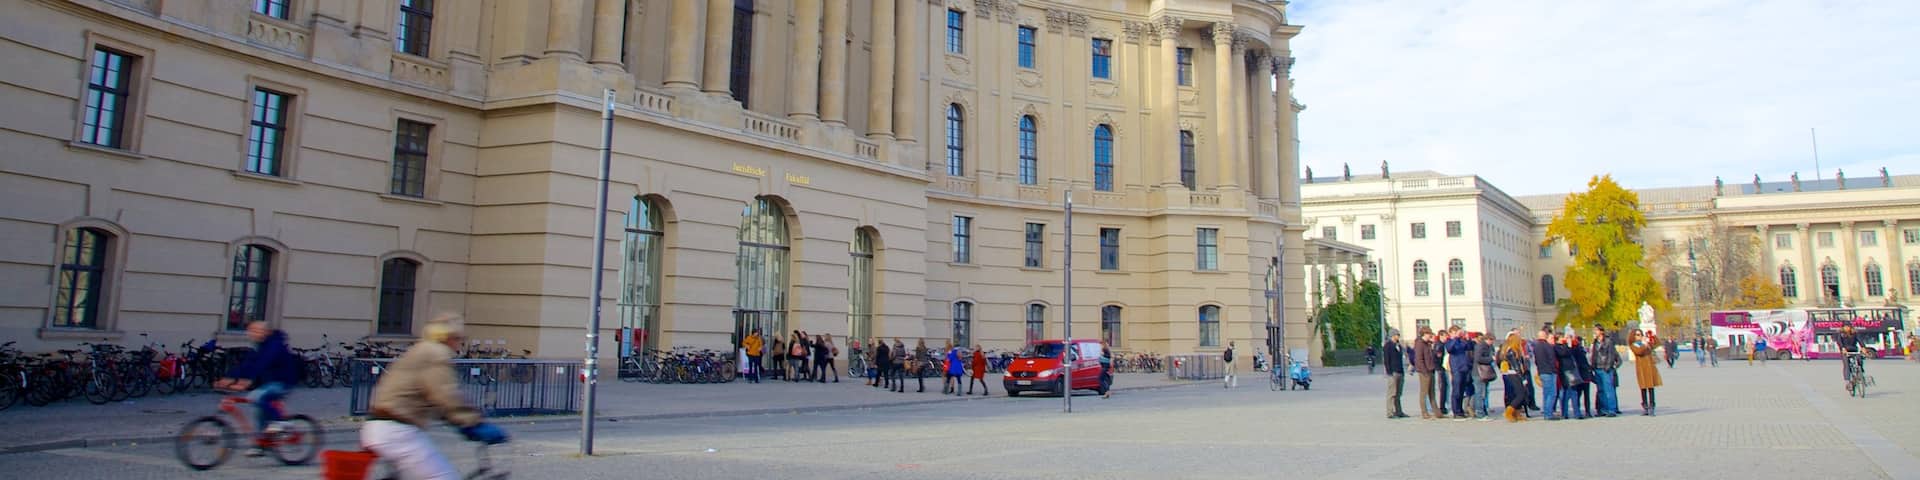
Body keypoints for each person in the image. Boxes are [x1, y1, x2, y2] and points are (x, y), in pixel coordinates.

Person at [363, 314, 507, 479]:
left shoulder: (420, 350)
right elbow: (444, 394)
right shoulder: (436, 353)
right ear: (448, 337)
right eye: (459, 338)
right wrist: (472, 422)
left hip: (378, 427)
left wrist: (455, 419)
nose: (460, 343)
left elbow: (430, 396)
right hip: (398, 431)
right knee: (443, 476)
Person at [214, 320, 301, 456]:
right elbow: (247, 364)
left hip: (283, 382)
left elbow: (263, 363)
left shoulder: (274, 344)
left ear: (266, 331)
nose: (253, 334)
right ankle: (260, 444)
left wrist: (246, 381)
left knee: (257, 397)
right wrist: (228, 378)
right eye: (251, 331)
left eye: (256, 331)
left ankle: (281, 424)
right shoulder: (259, 346)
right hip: (269, 382)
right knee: (259, 410)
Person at [1497, 332, 1530, 423]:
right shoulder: (1512, 351)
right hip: (1514, 374)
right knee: (1521, 394)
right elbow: (1517, 367)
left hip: (1513, 374)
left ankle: (1517, 413)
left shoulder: (1511, 350)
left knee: (1518, 394)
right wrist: (1523, 378)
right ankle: (1509, 411)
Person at [1590, 327, 1622, 417]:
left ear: (1601, 331)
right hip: (1597, 368)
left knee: (1609, 389)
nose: (1595, 332)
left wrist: (1608, 367)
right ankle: (1603, 410)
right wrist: (1592, 366)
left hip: (1605, 368)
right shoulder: (1595, 342)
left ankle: (1611, 410)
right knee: (1600, 390)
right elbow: (1594, 355)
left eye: (1596, 330)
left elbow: (1611, 355)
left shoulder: (1608, 341)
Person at [1630, 330, 1663, 416]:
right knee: (1643, 388)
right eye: (1637, 335)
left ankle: (1652, 406)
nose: (1640, 336)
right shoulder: (1634, 345)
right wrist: (1644, 344)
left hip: (1650, 368)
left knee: (1651, 388)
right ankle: (1645, 407)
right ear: (1634, 336)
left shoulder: (1646, 344)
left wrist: (1652, 336)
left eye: (1641, 334)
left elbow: (1657, 344)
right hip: (1641, 370)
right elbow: (1639, 352)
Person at [1443, 329, 1475, 420]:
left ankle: (1460, 411)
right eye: (1454, 332)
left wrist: (1468, 338)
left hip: (1464, 369)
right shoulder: (1450, 342)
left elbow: (1470, 346)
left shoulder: (1462, 341)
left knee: (1461, 392)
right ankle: (1456, 411)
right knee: (1456, 392)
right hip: (1456, 369)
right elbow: (1449, 349)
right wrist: (1455, 337)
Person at [1532, 329, 1562, 420]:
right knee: (1552, 393)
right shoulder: (1548, 346)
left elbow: (1536, 361)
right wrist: (1554, 370)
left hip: (1542, 371)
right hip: (1550, 372)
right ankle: (1549, 414)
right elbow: (1552, 359)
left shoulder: (1536, 346)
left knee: (1546, 393)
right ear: (1545, 336)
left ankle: (1546, 412)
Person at [1412, 329, 1439, 419]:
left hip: (1431, 369)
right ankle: (1424, 412)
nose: (1430, 336)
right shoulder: (1420, 344)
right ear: (1424, 334)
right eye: (1429, 334)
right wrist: (1424, 371)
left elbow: (1433, 356)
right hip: (1424, 371)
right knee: (1424, 392)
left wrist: (1433, 345)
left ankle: (1437, 412)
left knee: (1432, 392)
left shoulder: (1428, 344)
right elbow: (1419, 359)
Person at [1471, 333, 1496, 421]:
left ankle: (1481, 411)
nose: (1492, 343)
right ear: (1488, 339)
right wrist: (1491, 359)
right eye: (1492, 341)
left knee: (1482, 393)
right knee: (1480, 393)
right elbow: (1478, 359)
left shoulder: (1485, 346)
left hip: (1483, 373)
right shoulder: (1481, 346)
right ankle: (1479, 413)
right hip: (1479, 373)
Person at [1384, 332, 1408, 419]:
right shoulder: (1388, 345)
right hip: (1393, 372)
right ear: (1392, 336)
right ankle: (1390, 412)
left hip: (1400, 371)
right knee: (1392, 393)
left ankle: (1399, 411)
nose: (1398, 337)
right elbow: (1386, 359)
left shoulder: (1399, 346)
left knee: (1398, 393)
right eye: (1397, 335)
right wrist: (1389, 372)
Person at [1569, 336, 1593, 420]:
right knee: (1585, 394)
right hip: (1583, 374)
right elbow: (1584, 362)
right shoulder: (1580, 350)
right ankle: (1587, 411)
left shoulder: (1572, 350)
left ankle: (1579, 410)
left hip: (1578, 375)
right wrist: (1589, 368)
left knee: (1578, 394)